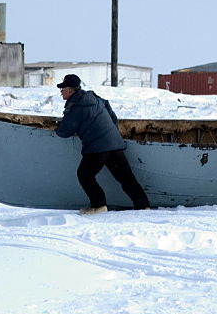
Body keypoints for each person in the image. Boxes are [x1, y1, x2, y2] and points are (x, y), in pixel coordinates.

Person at [54, 74, 150, 214]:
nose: (61, 91)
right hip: (114, 143)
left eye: (62, 88)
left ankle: (99, 205)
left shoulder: (76, 107)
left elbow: (65, 131)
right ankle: (143, 205)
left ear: (70, 90)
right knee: (126, 178)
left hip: (97, 147)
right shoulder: (96, 99)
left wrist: (56, 128)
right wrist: (111, 134)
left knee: (84, 175)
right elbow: (113, 117)